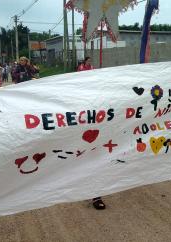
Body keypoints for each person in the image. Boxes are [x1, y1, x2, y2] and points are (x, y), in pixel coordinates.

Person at [76, 57, 105, 210]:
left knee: (96, 165)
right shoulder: (76, 98)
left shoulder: (101, 97)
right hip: (80, 141)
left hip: (97, 140)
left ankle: (96, 195)